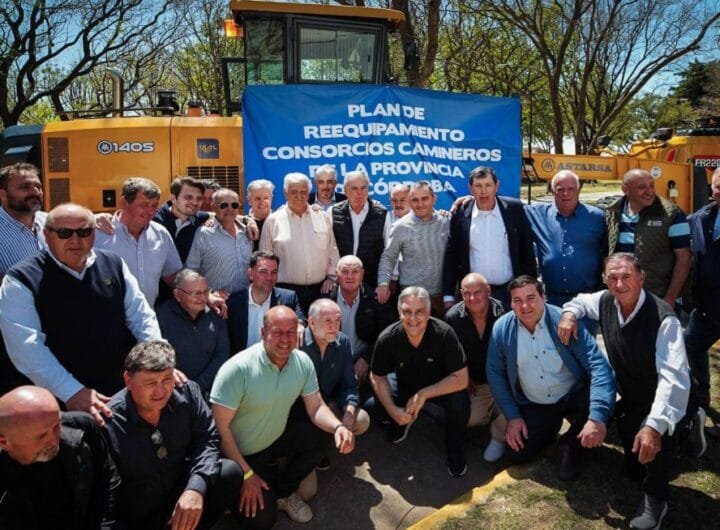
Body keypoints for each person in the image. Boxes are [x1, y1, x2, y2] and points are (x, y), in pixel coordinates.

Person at [559, 253, 704, 529]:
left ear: (641, 278)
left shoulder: (664, 319)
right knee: (635, 468)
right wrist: (569, 314)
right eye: (612, 277)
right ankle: (683, 428)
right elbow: (580, 301)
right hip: (635, 395)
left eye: (626, 276)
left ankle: (656, 499)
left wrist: (653, 426)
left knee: (655, 441)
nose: (619, 283)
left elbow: (672, 381)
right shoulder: (605, 301)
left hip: (669, 396)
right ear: (605, 280)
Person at [0, 203, 162, 425]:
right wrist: (72, 392)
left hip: (114, 393)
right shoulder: (21, 279)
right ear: (46, 235)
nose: (75, 240)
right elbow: (27, 349)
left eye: (84, 232)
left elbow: (141, 317)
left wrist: (157, 360)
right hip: (58, 404)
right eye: (64, 233)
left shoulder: (113, 264)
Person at [211, 306, 355, 528]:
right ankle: (237, 492)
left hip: (274, 440)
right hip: (239, 454)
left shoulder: (302, 362)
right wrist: (247, 475)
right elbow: (220, 429)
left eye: (290, 332)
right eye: (277, 332)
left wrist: (338, 427)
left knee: (322, 433)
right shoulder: (237, 370)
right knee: (263, 520)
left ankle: (284, 492)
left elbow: (316, 406)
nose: (285, 340)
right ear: (263, 333)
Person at [486, 276, 615, 480]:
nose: (525, 306)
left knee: (605, 404)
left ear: (543, 297)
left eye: (531, 298)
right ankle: (550, 428)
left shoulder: (564, 322)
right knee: (517, 453)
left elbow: (598, 367)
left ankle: (570, 443)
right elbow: (495, 374)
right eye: (517, 300)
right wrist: (513, 416)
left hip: (572, 394)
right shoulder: (502, 329)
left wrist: (597, 417)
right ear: (510, 303)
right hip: (536, 403)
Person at [104, 341, 242, 530]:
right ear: (128, 380)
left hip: (179, 495)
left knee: (228, 472)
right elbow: (105, 494)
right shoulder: (109, 422)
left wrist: (196, 487)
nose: (161, 391)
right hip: (138, 510)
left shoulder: (188, 392)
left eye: (167, 379)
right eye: (151, 383)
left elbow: (207, 439)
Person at [370, 286, 470, 477]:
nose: (413, 318)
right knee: (374, 406)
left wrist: (423, 394)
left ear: (429, 312)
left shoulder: (444, 333)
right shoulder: (387, 337)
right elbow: (377, 376)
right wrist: (392, 410)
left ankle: (455, 449)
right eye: (407, 311)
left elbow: (461, 378)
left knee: (460, 403)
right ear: (399, 312)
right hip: (404, 383)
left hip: (439, 386)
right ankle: (400, 422)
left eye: (419, 311)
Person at [0, 386, 121, 530]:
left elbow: (107, 484)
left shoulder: (81, 428)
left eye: (57, 425)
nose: (54, 440)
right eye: (41, 436)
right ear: (4, 442)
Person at [443, 166, 536, 309]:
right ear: (470, 188)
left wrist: (532, 289)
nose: (483, 191)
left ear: (496, 186)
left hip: (508, 292)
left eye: (488, 185)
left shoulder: (514, 209)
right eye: (478, 186)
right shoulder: (460, 212)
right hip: (473, 295)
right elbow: (452, 256)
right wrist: (448, 296)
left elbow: (527, 251)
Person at [444, 273, 508, 462]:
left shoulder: (505, 313)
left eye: (477, 292)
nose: (472, 298)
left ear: (488, 291)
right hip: (476, 383)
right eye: (466, 293)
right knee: (468, 418)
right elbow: (447, 355)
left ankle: (498, 437)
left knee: (515, 403)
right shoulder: (453, 318)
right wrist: (463, 377)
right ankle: (494, 412)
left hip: (503, 380)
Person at [605, 168, 691, 306]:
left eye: (651, 186)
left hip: (658, 297)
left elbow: (684, 257)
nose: (649, 191)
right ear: (625, 189)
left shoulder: (673, 214)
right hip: (621, 296)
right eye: (642, 187)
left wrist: (670, 298)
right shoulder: (612, 212)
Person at [94, 177, 183, 307]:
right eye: (144, 205)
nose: (151, 211)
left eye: (154, 206)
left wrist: (201, 292)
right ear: (124, 202)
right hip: (107, 317)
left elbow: (173, 276)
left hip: (147, 316)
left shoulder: (160, 233)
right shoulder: (97, 234)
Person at [259, 172, 340, 314]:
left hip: (321, 290)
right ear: (285, 193)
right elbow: (264, 258)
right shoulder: (273, 221)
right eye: (294, 192)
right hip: (286, 291)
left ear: (309, 193)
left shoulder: (322, 216)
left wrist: (332, 278)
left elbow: (332, 249)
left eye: (303, 192)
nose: (299, 196)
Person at [524, 170, 607, 306]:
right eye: (560, 189)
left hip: (588, 298)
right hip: (551, 298)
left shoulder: (597, 217)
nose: (566, 194)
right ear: (552, 191)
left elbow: (606, 252)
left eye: (571, 189)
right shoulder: (536, 214)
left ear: (578, 190)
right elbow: (507, 208)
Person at [376, 181, 450, 316]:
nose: (420, 204)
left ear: (434, 199)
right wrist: (383, 283)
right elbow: (388, 257)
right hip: (410, 298)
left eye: (425, 198)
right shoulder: (400, 226)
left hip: (439, 298)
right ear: (410, 201)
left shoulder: (446, 222)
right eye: (415, 200)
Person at [324, 255, 396, 388]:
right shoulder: (325, 299)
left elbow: (387, 334)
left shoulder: (375, 300)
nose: (350, 276)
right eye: (345, 272)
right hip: (331, 361)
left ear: (362, 275)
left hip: (364, 364)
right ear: (337, 274)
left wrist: (367, 359)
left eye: (355, 272)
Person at [300, 299, 370, 437]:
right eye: (328, 321)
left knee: (362, 420)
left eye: (337, 320)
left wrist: (349, 411)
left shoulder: (343, 342)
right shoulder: (298, 342)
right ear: (312, 323)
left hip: (330, 401)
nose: (334, 326)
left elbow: (349, 385)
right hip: (302, 407)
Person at [156, 269, 230, 396]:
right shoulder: (161, 317)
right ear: (177, 294)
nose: (202, 298)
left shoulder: (216, 314)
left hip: (209, 393)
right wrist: (182, 388)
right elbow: (159, 359)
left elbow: (221, 355)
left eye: (205, 292)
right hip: (173, 392)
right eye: (195, 293)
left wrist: (197, 387)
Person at [684, 166, 720, 408]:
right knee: (690, 345)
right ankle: (701, 394)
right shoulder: (698, 219)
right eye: (719, 187)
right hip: (707, 307)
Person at [226, 251, 305, 354]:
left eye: (274, 272)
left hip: (275, 360)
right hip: (242, 361)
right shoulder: (233, 303)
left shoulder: (288, 298)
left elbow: (301, 319)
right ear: (250, 274)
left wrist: (299, 325)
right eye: (263, 272)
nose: (269, 278)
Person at [186, 188, 253, 296]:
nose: (230, 209)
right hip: (217, 301)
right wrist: (208, 294)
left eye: (234, 205)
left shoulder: (247, 232)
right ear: (213, 206)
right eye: (224, 205)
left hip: (246, 300)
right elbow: (191, 270)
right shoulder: (203, 234)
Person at [331, 170, 390, 288]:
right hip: (341, 281)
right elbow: (329, 248)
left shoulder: (382, 214)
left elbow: (388, 250)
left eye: (363, 188)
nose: (360, 193)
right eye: (354, 188)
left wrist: (386, 280)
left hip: (372, 281)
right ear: (345, 191)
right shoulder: (333, 212)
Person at [153, 176, 210, 263]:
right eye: (188, 197)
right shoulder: (155, 219)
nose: (195, 203)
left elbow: (212, 215)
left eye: (199, 198)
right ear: (173, 198)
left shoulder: (199, 218)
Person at [247, 179, 275, 251]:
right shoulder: (242, 224)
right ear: (249, 200)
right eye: (257, 198)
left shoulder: (280, 220)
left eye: (266, 198)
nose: (262, 202)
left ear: (271, 199)